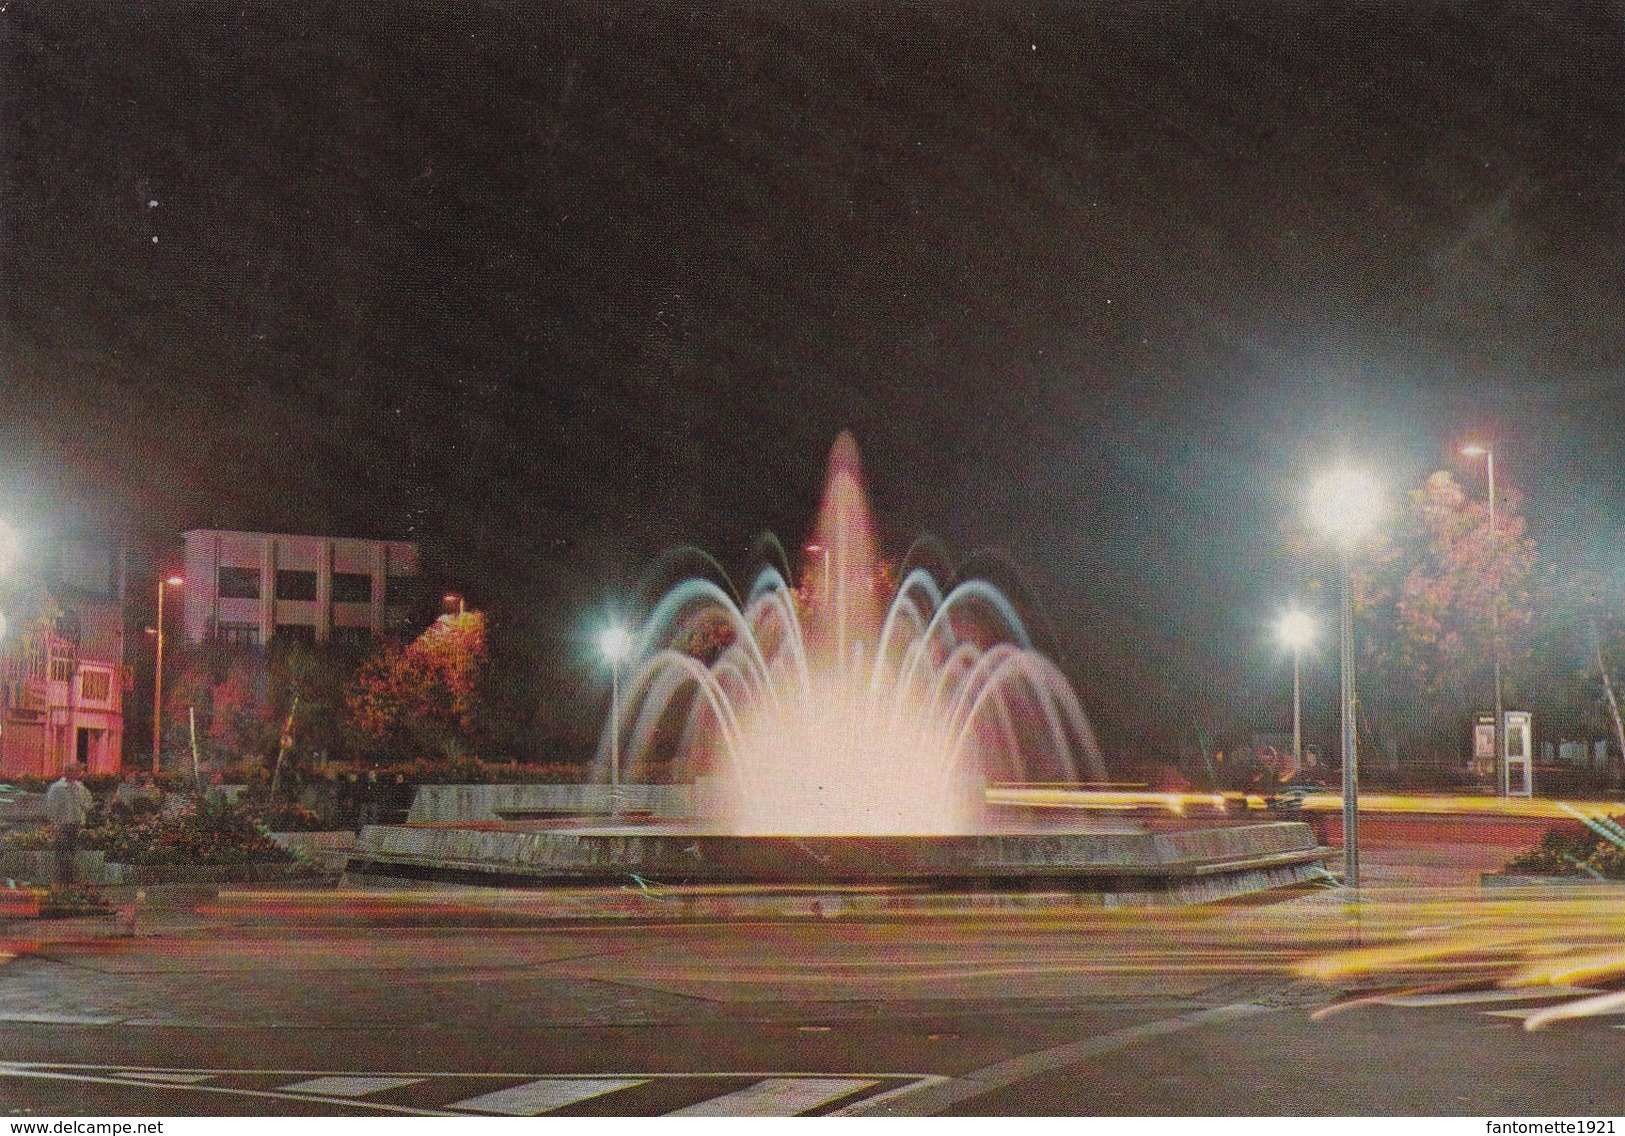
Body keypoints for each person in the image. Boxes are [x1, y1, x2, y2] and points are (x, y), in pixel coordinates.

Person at [45, 763, 95, 889]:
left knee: (74, 855)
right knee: (61, 855)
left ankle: (73, 883)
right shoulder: (57, 788)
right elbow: (51, 808)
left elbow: (88, 806)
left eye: (75, 772)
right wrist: (55, 826)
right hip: (62, 825)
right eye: (70, 771)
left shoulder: (80, 788)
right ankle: (60, 883)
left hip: (76, 826)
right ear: (65, 772)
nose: (73, 774)